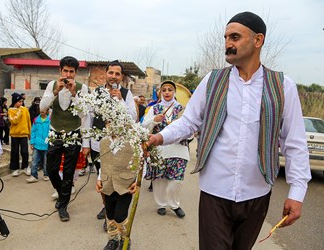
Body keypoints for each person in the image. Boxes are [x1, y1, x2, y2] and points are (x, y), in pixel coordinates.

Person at [146, 11, 311, 250]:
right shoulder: (212, 81)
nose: (228, 44)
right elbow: (189, 121)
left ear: (258, 40)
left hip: (257, 193)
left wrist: (297, 192)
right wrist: (159, 137)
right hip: (215, 192)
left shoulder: (283, 86)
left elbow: (294, 143)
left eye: (235, 37)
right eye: (226, 38)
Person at [40, 56, 91, 222]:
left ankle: (63, 206)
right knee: (51, 169)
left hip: (74, 133)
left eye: (71, 71)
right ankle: (62, 191)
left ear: (76, 73)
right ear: (60, 71)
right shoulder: (51, 85)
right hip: (55, 133)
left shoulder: (83, 88)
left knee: (68, 172)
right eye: (65, 71)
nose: (68, 74)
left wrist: (74, 94)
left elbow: (84, 113)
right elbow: (42, 108)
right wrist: (56, 91)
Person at [91, 60, 138, 229]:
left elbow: (133, 117)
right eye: (111, 73)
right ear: (106, 73)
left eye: (117, 74)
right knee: (103, 179)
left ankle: (114, 216)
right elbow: (89, 117)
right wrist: (86, 142)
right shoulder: (96, 92)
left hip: (120, 145)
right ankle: (107, 209)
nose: (113, 76)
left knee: (118, 177)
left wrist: (121, 100)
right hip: (99, 144)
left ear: (121, 77)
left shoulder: (126, 93)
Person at [141, 80, 189, 218]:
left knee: (176, 180)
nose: (167, 92)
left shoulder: (182, 109)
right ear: (160, 93)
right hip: (159, 150)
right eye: (164, 90)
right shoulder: (154, 109)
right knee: (159, 180)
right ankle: (161, 204)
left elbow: (191, 130)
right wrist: (154, 120)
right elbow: (143, 128)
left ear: (174, 92)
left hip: (179, 150)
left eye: (170, 89)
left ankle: (174, 204)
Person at [96, 138, 137, 250]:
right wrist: (99, 178)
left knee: (120, 216)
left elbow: (140, 162)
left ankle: (125, 239)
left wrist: (137, 182)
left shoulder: (132, 141)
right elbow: (102, 163)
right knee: (109, 214)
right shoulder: (104, 141)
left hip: (125, 185)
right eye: (109, 122)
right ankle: (113, 239)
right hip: (107, 183)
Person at [8, 92, 31, 177]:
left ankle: (25, 166)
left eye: (22, 101)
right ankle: (15, 168)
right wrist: (18, 112)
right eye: (19, 101)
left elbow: (28, 121)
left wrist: (29, 132)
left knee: (24, 151)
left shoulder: (25, 109)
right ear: (15, 101)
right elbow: (14, 121)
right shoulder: (10, 110)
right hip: (14, 134)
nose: (21, 103)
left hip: (24, 134)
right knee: (14, 152)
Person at [26, 108, 50, 183]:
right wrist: (32, 142)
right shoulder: (36, 120)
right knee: (34, 161)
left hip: (47, 145)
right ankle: (34, 175)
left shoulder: (51, 120)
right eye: (41, 109)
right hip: (37, 144)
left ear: (47, 110)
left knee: (46, 162)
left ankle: (46, 174)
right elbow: (33, 132)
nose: (42, 111)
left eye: (44, 109)